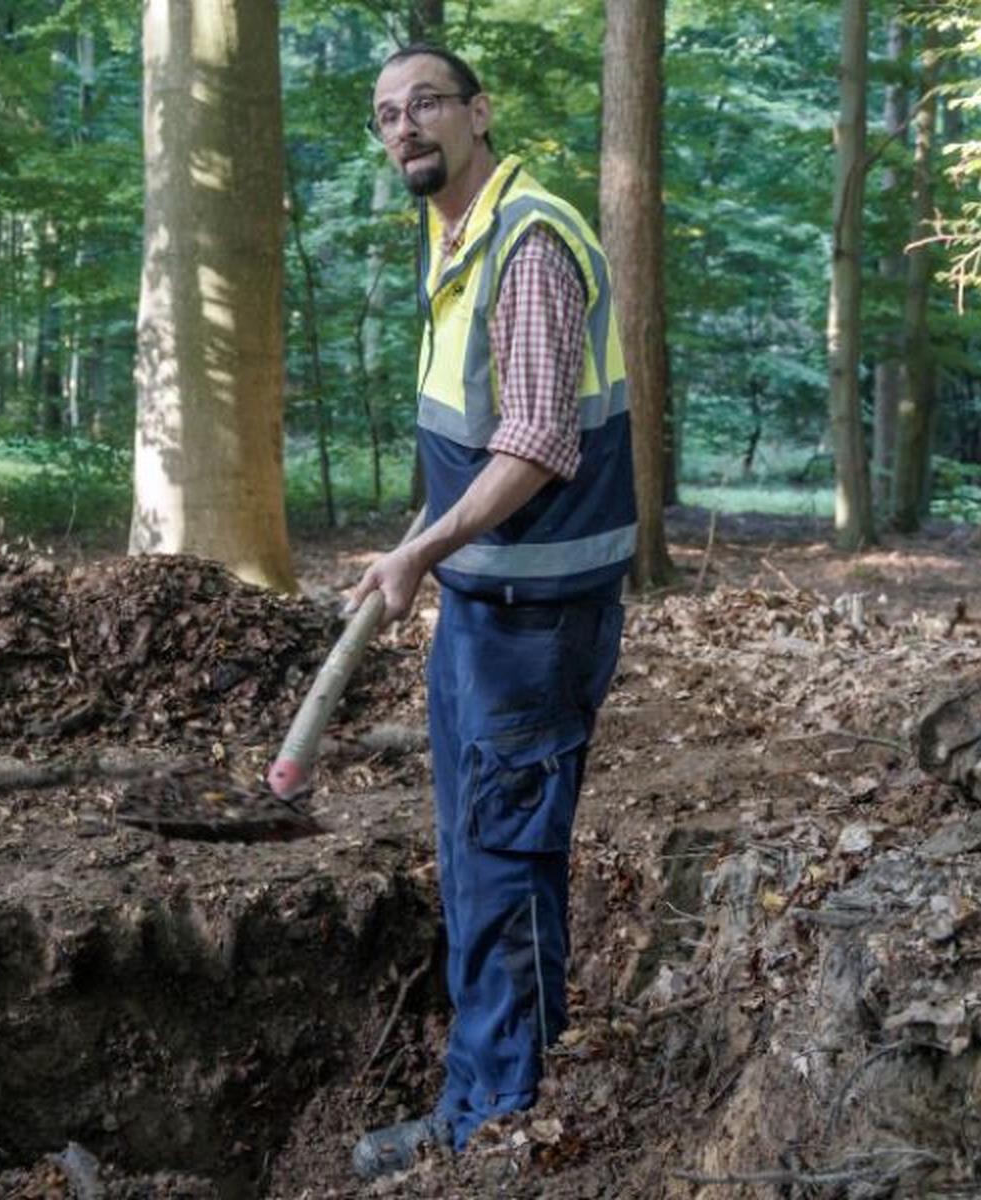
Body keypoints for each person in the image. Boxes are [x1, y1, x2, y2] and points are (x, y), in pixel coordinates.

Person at [346, 44, 636, 1180]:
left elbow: (537, 443)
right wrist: (422, 552)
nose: (404, 127)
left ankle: (496, 1129)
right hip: (483, 603)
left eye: (424, 104)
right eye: (384, 115)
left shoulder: (528, 244)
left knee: (508, 862)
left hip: (536, 618)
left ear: (478, 112)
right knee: (477, 860)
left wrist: (420, 549)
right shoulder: (455, 239)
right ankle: (481, 1098)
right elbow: (469, 436)